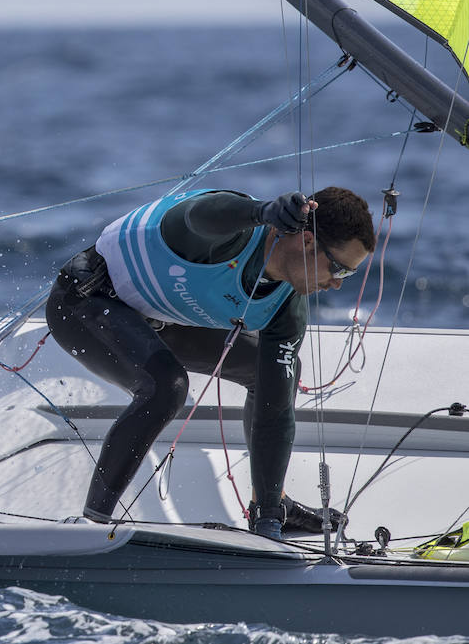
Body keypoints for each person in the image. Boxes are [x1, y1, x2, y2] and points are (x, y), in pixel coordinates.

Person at [45, 186, 375, 539]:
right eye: (339, 268)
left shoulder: (287, 307)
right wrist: (262, 211)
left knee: (271, 376)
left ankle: (271, 506)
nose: (338, 284)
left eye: (349, 274)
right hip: (85, 300)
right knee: (166, 387)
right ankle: (93, 522)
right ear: (307, 241)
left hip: (161, 317)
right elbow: (196, 215)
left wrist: (268, 527)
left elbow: (275, 411)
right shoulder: (229, 237)